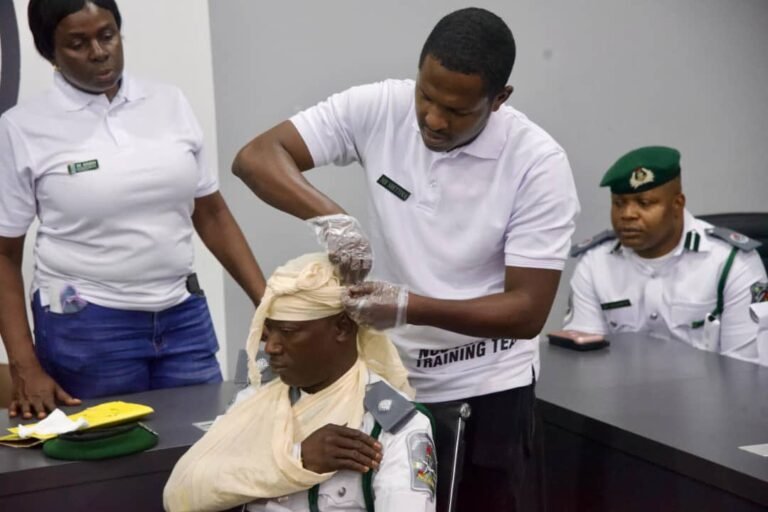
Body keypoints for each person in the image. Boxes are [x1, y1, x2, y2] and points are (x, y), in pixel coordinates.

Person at [232, 7, 579, 511]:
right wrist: (333, 218)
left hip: (486, 390)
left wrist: (409, 307)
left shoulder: (537, 165)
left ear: (499, 100)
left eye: (457, 111)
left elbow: (527, 311)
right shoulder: (380, 107)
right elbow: (256, 157)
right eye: (426, 96)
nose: (434, 120)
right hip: (386, 383)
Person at [0, 0, 265, 419]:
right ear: (48, 52)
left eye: (107, 35)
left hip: (182, 317)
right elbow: (4, 255)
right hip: (85, 326)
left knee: (203, 452)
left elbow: (211, 214)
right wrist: (24, 364)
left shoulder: (169, 102)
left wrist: (265, 300)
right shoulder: (23, 127)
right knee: (106, 468)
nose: (100, 52)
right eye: (78, 43)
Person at [163, 253, 436, 512]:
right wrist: (298, 459)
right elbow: (183, 490)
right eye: (268, 331)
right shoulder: (257, 399)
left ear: (342, 328)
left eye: (288, 332)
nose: (270, 347)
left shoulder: (391, 426)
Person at [564, 146, 768, 363]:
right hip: (618, 393)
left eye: (644, 203)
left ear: (677, 204)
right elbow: (585, 360)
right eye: (619, 203)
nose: (627, 215)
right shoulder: (595, 263)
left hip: (712, 395)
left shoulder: (732, 263)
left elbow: (748, 369)